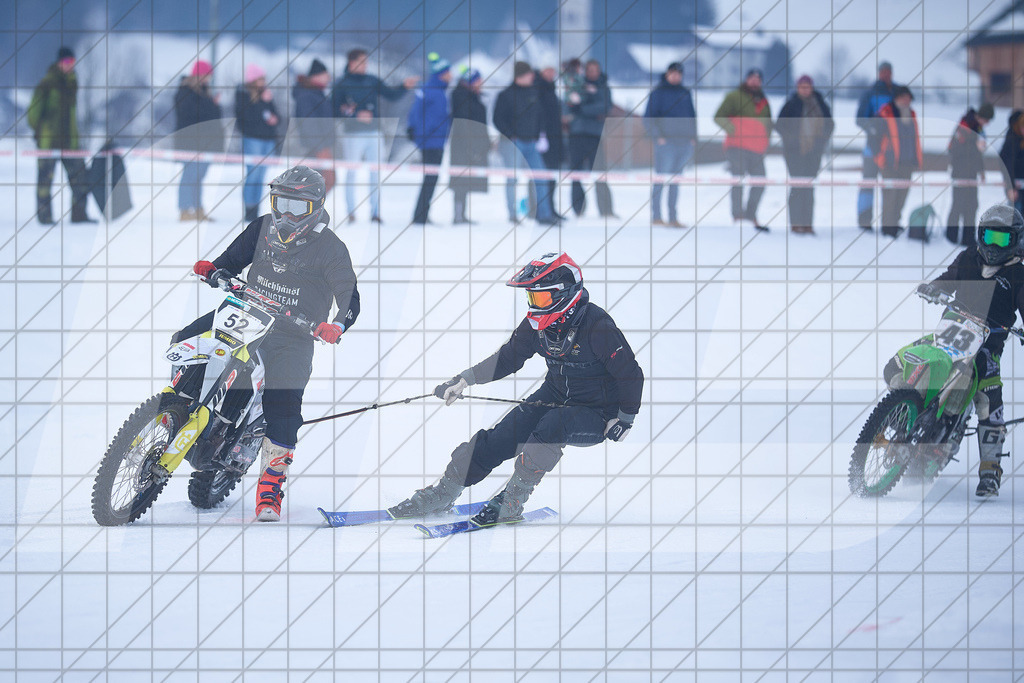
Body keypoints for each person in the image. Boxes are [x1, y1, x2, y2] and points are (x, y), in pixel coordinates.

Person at [388, 252, 644, 525]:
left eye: (541, 298)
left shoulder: (598, 326)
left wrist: (625, 417)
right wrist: (464, 379)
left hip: (598, 413)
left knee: (552, 426)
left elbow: (631, 374)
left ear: (563, 294)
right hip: (555, 395)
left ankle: (511, 501)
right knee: (502, 436)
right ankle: (444, 492)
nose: (535, 305)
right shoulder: (537, 325)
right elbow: (508, 357)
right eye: (531, 298)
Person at [184, 166, 360, 521]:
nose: (287, 215)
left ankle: (271, 481)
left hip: (293, 335)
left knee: (284, 402)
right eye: (282, 204)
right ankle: (176, 413)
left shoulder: (331, 247)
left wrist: (337, 325)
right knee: (186, 341)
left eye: (298, 208)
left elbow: (349, 296)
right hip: (245, 314)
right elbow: (230, 262)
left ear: (316, 207)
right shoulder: (262, 227)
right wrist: (212, 268)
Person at [913, 204, 1024, 497]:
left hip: (987, 347)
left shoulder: (1018, 274)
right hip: (949, 335)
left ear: (1015, 240)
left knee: (989, 399)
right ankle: (900, 409)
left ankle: (990, 470)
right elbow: (948, 278)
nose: (992, 245)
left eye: (1001, 240)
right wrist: (934, 287)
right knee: (917, 359)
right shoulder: (969, 258)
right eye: (988, 236)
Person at [331, 48, 418, 224]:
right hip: (353, 134)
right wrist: (355, 115)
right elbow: (334, 109)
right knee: (352, 173)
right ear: (352, 62)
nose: (366, 65)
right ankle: (351, 212)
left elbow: (391, 95)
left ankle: (376, 213)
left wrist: (404, 86)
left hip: (374, 133)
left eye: (367, 62)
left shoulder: (372, 80)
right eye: (362, 61)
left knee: (375, 173)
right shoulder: (341, 83)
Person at [27, 46, 94, 225]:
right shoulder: (46, 84)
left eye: (72, 62)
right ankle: (45, 218)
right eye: (66, 62)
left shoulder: (72, 83)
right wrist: (43, 131)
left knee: (80, 178)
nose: (69, 65)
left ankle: (79, 215)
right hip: (49, 143)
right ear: (59, 62)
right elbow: (32, 115)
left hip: (70, 142)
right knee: (45, 182)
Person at [492, 61, 558, 225]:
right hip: (512, 143)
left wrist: (540, 135)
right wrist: (510, 135)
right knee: (512, 179)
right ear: (520, 76)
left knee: (541, 177)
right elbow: (497, 119)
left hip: (532, 143)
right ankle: (513, 214)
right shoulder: (505, 95)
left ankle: (544, 214)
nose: (533, 77)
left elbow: (540, 116)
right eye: (529, 74)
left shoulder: (533, 93)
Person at [714, 68, 772, 231]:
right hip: (737, 147)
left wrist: (766, 141)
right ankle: (738, 216)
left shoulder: (764, 101)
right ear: (746, 79)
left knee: (760, 182)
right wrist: (733, 130)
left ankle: (750, 215)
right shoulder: (734, 96)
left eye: (758, 79)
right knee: (738, 180)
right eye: (752, 78)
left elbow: (768, 124)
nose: (755, 81)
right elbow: (718, 116)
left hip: (757, 149)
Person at [776, 75, 834, 235]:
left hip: (813, 153)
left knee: (809, 188)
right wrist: (791, 140)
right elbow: (779, 125)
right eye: (801, 86)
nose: (804, 89)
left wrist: (821, 141)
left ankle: (808, 224)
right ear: (797, 87)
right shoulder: (790, 104)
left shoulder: (821, 104)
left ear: (812, 87)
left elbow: (830, 124)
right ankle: (796, 223)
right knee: (797, 186)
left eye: (807, 86)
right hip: (794, 153)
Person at [643, 62, 696, 228]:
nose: (676, 76)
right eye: (673, 73)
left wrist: (693, 137)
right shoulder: (658, 93)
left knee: (675, 181)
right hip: (665, 143)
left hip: (684, 143)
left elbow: (692, 116)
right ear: (667, 74)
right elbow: (648, 118)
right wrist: (658, 137)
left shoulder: (685, 93)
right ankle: (657, 216)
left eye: (678, 73)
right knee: (661, 179)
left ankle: (673, 217)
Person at [173, 60, 223, 223]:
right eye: (206, 76)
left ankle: (198, 208)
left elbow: (213, 117)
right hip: (190, 142)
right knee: (189, 176)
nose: (208, 79)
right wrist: (211, 105)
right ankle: (185, 210)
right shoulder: (184, 92)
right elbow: (193, 115)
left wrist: (213, 105)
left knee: (198, 177)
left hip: (205, 143)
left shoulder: (204, 93)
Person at [566, 59, 614, 218]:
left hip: (595, 135)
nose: (592, 72)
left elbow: (605, 106)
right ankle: (578, 209)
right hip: (578, 134)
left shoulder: (604, 88)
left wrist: (583, 109)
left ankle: (606, 210)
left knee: (600, 173)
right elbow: (570, 104)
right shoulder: (578, 84)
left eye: (595, 69)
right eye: (589, 70)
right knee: (576, 174)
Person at [408, 53, 452, 225]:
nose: (451, 76)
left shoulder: (437, 90)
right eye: (448, 72)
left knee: (431, 179)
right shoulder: (432, 91)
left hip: (436, 141)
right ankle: (420, 216)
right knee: (430, 179)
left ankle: (422, 214)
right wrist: (420, 133)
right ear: (441, 73)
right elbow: (417, 113)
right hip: (431, 142)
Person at [235, 64, 281, 223]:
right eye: (260, 79)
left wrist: (274, 118)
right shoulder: (243, 95)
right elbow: (247, 117)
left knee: (261, 177)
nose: (263, 82)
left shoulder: (266, 95)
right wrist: (262, 102)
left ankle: (255, 210)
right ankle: (248, 211)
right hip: (252, 139)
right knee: (252, 175)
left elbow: (277, 116)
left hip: (268, 140)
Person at [875, 85, 922, 237]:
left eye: (908, 98)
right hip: (890, 164)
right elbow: (873, 139)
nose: (906, 101)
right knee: (890, 197)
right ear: (896, 98)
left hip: (907, 163)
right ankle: (887, 229)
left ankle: (895, 224)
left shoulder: (911, 115)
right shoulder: (885, 113)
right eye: (903, 98)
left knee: (902, 196)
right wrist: (880, 158)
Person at [856, 61, 898, 230]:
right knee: (868, 184)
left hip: (892, 149)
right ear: (879, 73)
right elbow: (860, 118)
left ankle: (889, 222)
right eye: (883, 72)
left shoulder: (897, 93)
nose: (885, 75)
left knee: (890, 187)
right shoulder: (869, 94)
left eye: (888, 72)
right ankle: (864, 220)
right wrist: (873, 128)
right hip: (871, 148)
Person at [946, 103, 994, 246]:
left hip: (972, 174)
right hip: (960, 173)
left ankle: (968, 239)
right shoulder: (964, 126)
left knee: (972, 205)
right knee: (958, 205)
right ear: (981, 116)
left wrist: (981, 170)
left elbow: (977, 155)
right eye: (986, 120)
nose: (987, 124)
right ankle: (951, 238)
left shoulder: (978, 129)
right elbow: (954, 149)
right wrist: (974, 145)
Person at [448, 68, 489, 224]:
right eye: (479, 81)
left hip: (471, 144)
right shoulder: (461, 97)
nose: (481, 84)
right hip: (463, 145)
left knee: (465, 181)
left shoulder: (473, 97)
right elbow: (464, 123)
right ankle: (458, 215)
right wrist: (471, 146)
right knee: (460, 181)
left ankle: (462, 214)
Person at [291, 58, 336, 193]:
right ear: (316, 76)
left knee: (325, 181)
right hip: (316, 145)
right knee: (323, 180)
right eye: (325, 74)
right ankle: (307, 211)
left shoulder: (318, 93)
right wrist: (319, 146)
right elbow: (308, 123)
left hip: (323, 144)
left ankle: (311, 211)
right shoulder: (307, 95)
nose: (329, 78)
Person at [536, 66, 565, 220]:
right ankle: (541, 211)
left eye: (552, 70)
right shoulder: (538, 89)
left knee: (552, 175)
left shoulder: (551, 89)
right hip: (543, 139)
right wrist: (540, 133)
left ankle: (550, 209)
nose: (551, 73)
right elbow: (538, 114)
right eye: (547, 70)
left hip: (555, 139)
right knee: (542, 176)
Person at [999, 110, 1024, 217]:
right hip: (1015, 186)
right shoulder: (1012, 140)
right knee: (1015, 218)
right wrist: (1010, 187)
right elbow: (1007, 165)